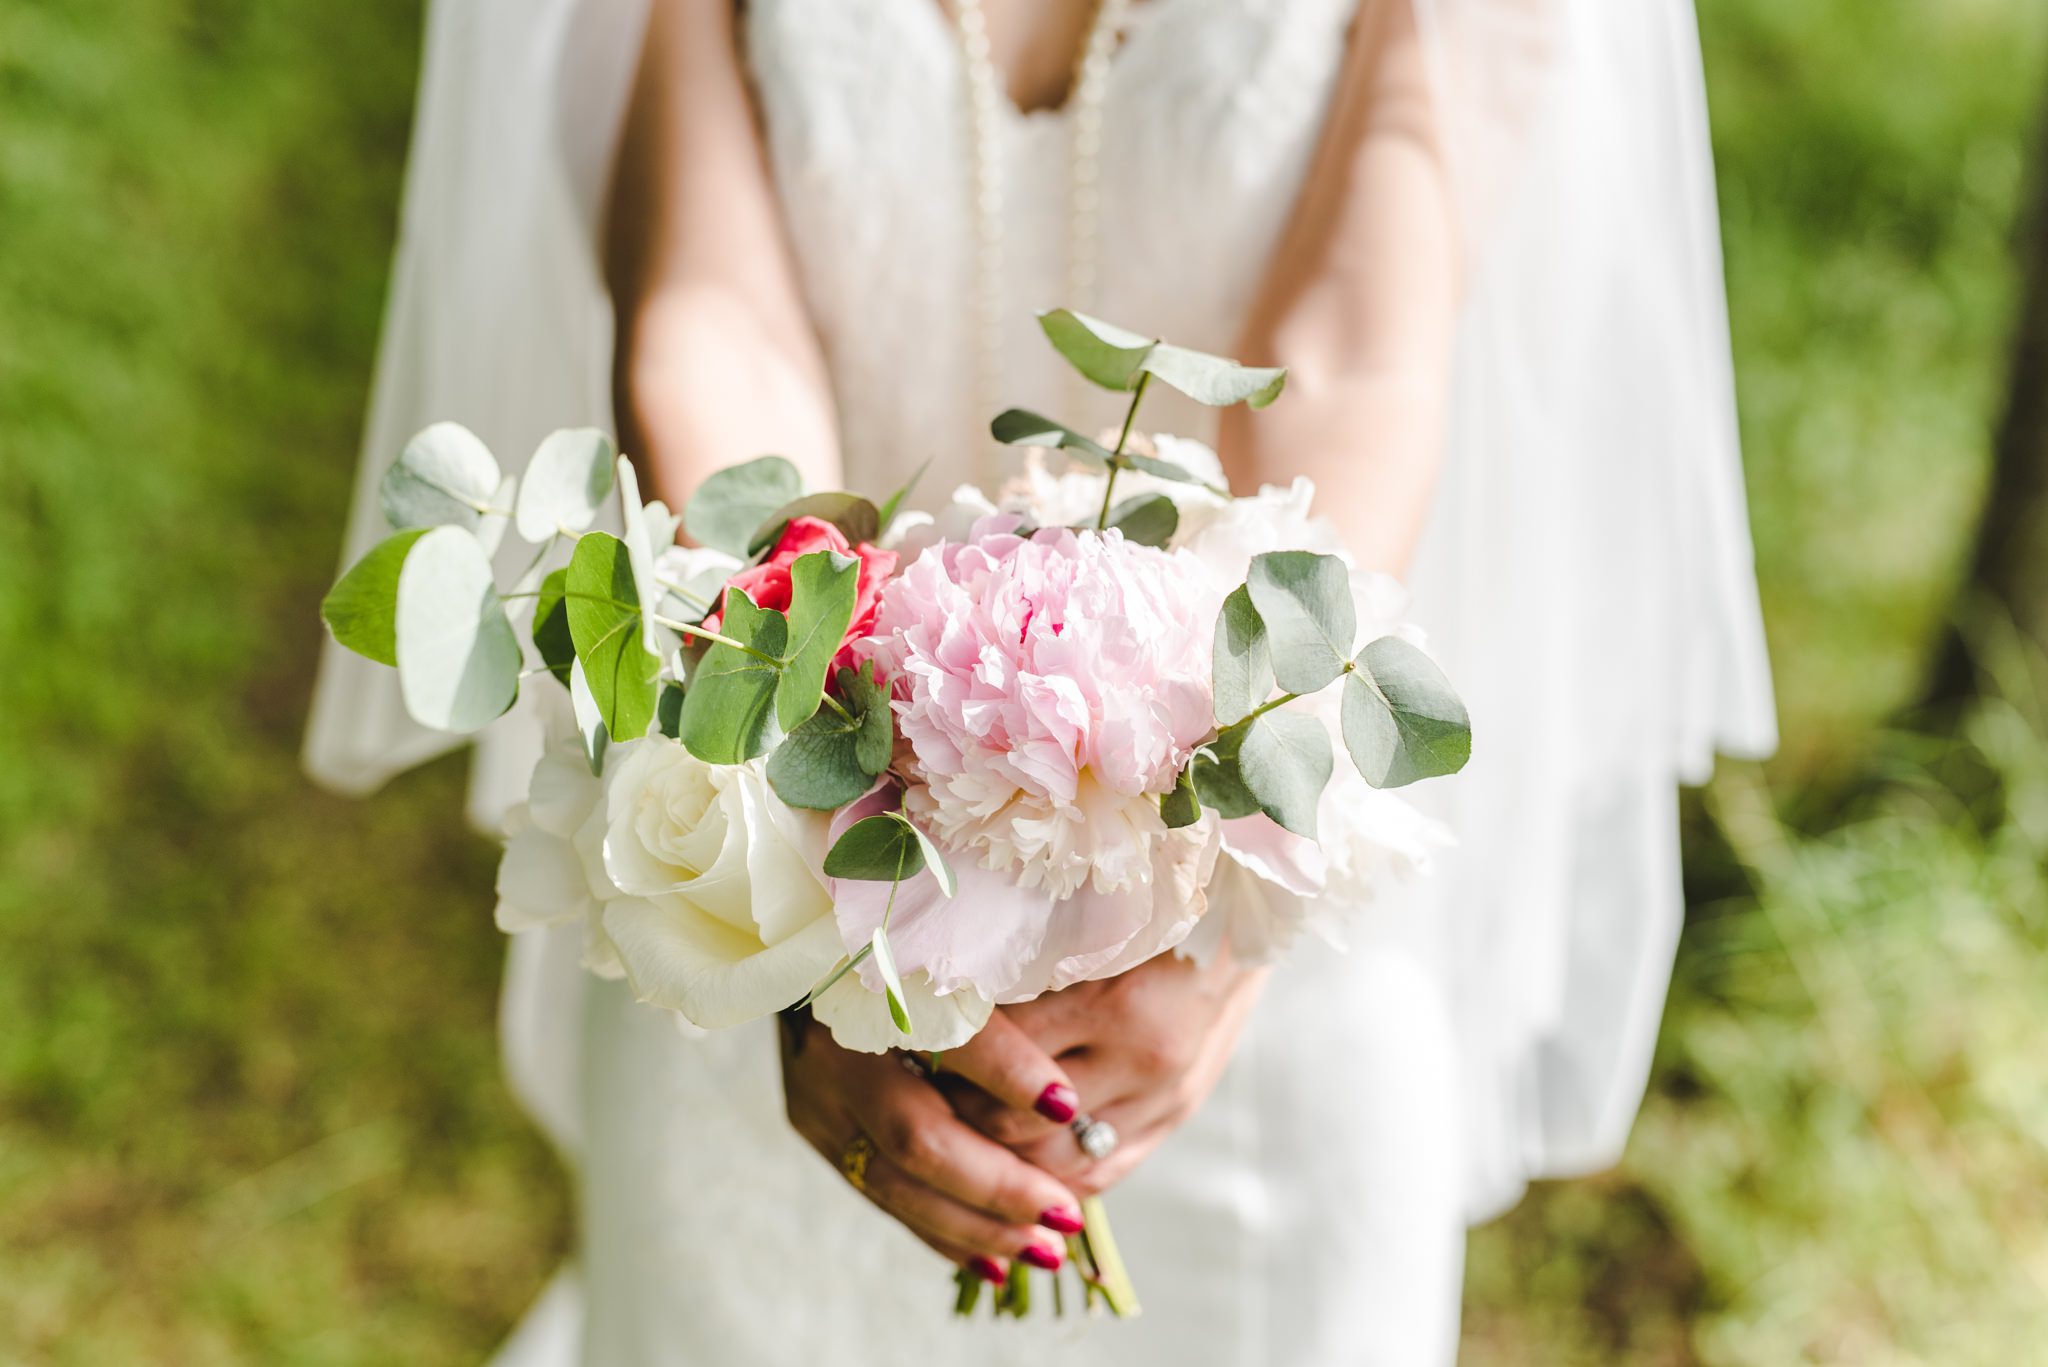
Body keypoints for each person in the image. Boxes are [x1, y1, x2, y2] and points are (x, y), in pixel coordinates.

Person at [305, 1, 1776, 1362]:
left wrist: (1216, 894)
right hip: (789, 879)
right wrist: (811, 874)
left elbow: (1354, 356)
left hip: (1253, 939)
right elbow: (715, 318)